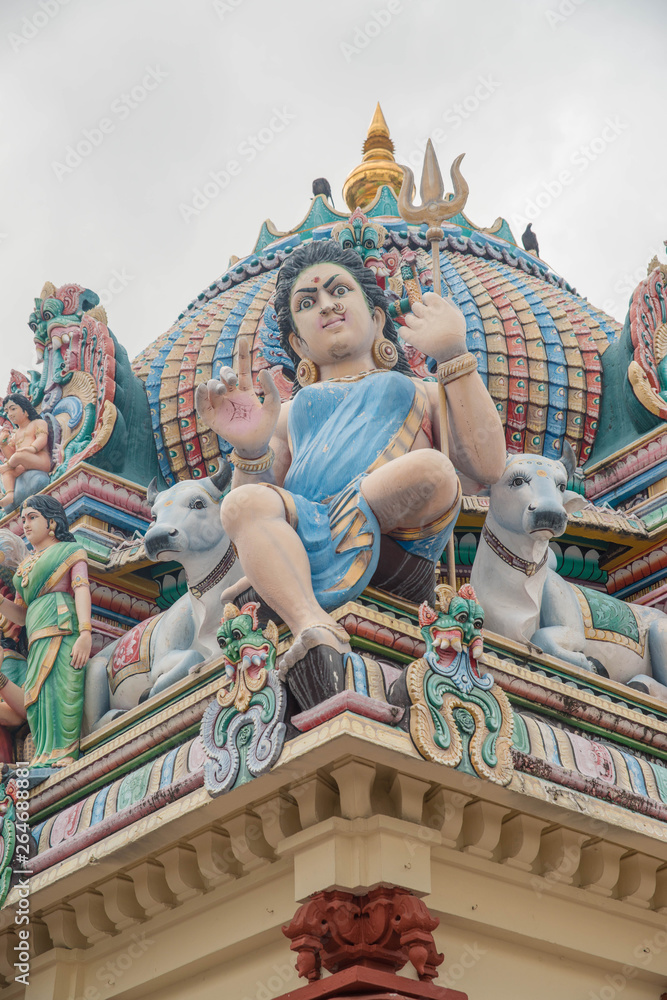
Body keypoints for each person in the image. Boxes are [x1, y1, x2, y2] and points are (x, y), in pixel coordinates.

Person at [195, 239, 505, 673]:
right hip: (308, 520)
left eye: (339, 291)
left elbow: (488, 466)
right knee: (241, 503)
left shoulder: (422, 390)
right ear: (297, 344)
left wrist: (453, 355)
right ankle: (309, 622)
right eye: (308, 301)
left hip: (398, 528)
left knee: (433, 470)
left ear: (377, 319)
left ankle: (294, 569)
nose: (326, 305)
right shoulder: (285, 415)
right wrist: (249, 449)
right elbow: (251, 509)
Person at [0, 495, 92, 767]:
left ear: (52, 522)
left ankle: (64, 752)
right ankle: (44, 755)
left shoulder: (69, 551)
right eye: (23, 519)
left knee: (64, 688)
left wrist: (86, 633)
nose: (25, 525)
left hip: (64, 631)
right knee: (37, 696)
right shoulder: (27, 566)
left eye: (32, 518)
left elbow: (81, 589)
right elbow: (23, 616)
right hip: (37, 635)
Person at [0, 394, 51, 509]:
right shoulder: (15, 434)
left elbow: (42, 438)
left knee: (17, 457)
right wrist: (3, 444)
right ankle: (10, 494)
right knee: (8, 472)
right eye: (7, 412)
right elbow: (12, 456)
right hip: (23, 464)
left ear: (25, 410)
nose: (10, 414)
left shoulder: (37, 423)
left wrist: (32, 448)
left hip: (40, 460)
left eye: (13, 409)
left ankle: (6, 467)